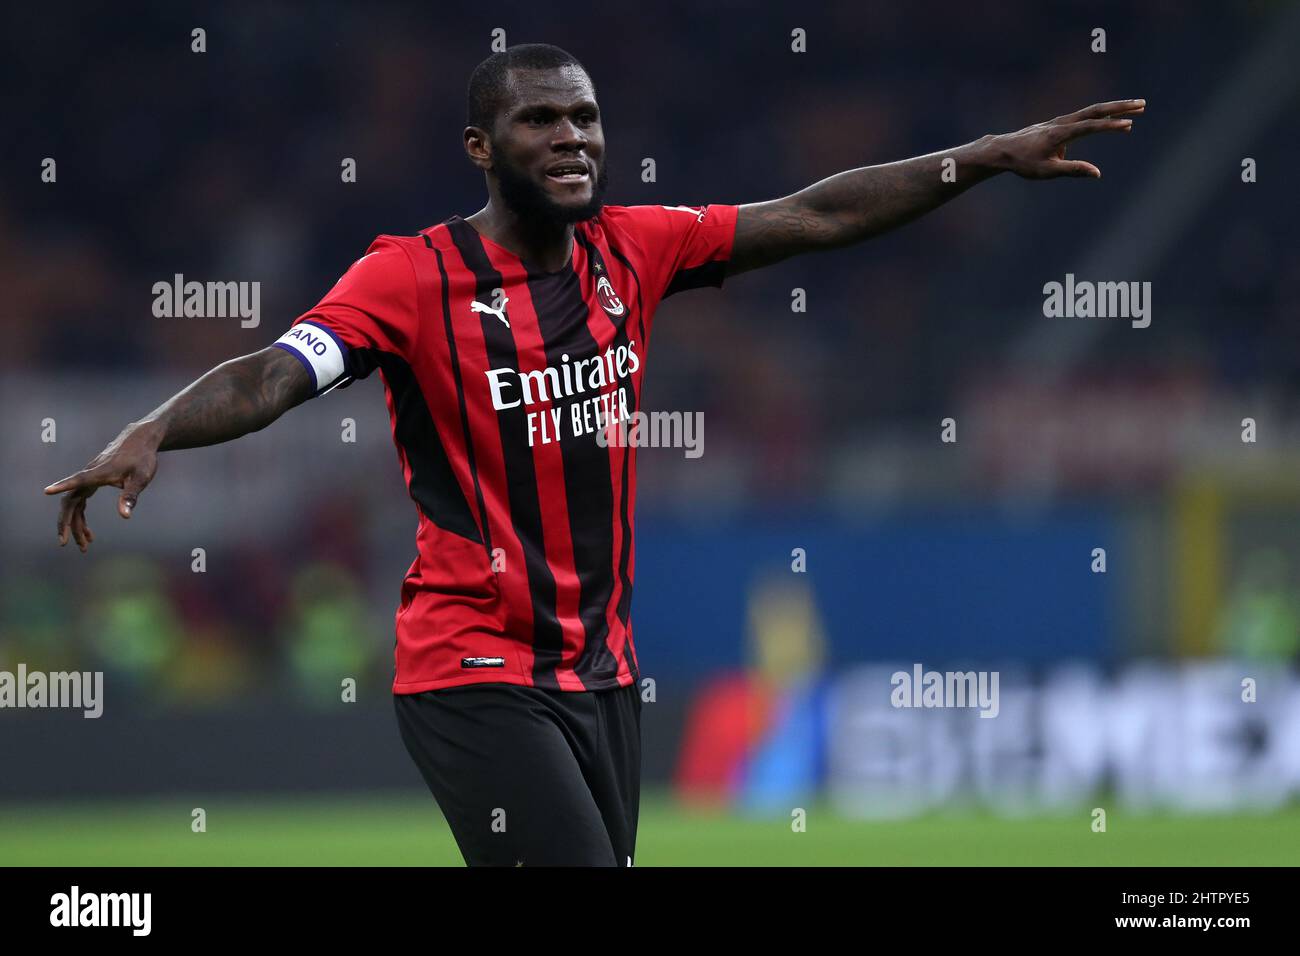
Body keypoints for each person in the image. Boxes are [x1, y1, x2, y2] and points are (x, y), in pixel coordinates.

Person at [44, 42, 1144, 865]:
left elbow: (814, 215)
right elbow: (272, 372)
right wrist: (156, 429)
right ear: (481, 149)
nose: (571, 137)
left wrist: (984, 159)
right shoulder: (409, 278)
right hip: (471, 667)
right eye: (538, 121)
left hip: (599, 672)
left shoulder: (638, 247)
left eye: (584, 118)